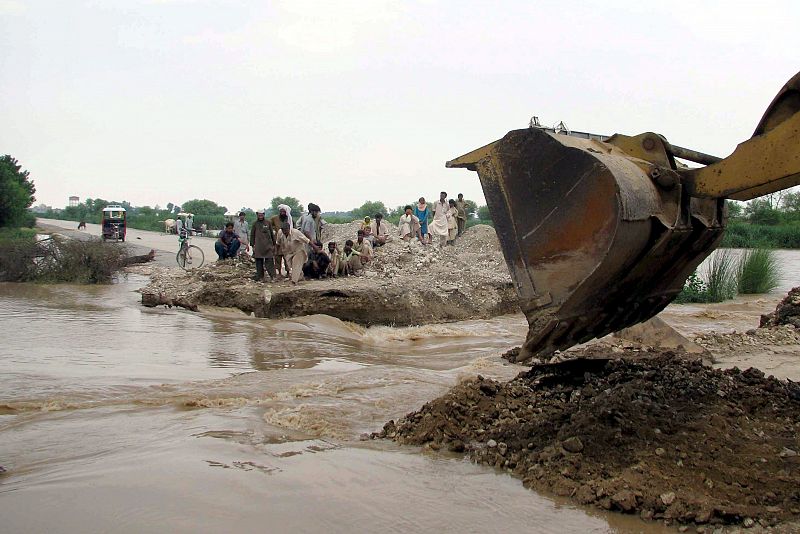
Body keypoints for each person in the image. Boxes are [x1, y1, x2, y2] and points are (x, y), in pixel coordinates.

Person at [250, 210, 276, 281]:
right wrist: (252, 245)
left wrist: (274, 244)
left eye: (262, 215)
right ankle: (260, 277)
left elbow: (271, 234)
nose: (260, 216)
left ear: (264, 214)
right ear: (257, 215)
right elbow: (252, 235)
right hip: (258, 245)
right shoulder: (254, 224)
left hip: (268, 245)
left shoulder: (268, 223)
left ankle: (273, 276)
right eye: (259, 215)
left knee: (270, 261)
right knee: (258, 261)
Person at [269, 205, 292, 279]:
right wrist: (273, 230)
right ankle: (278, 273)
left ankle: (288, 272)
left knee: (287, 257)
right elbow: (269, 224)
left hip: (286, 241)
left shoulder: (289, 219)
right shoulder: (274, 218)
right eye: (281, 211)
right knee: (277, 257)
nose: (282, 213)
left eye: (284, 211)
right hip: (278, 240)